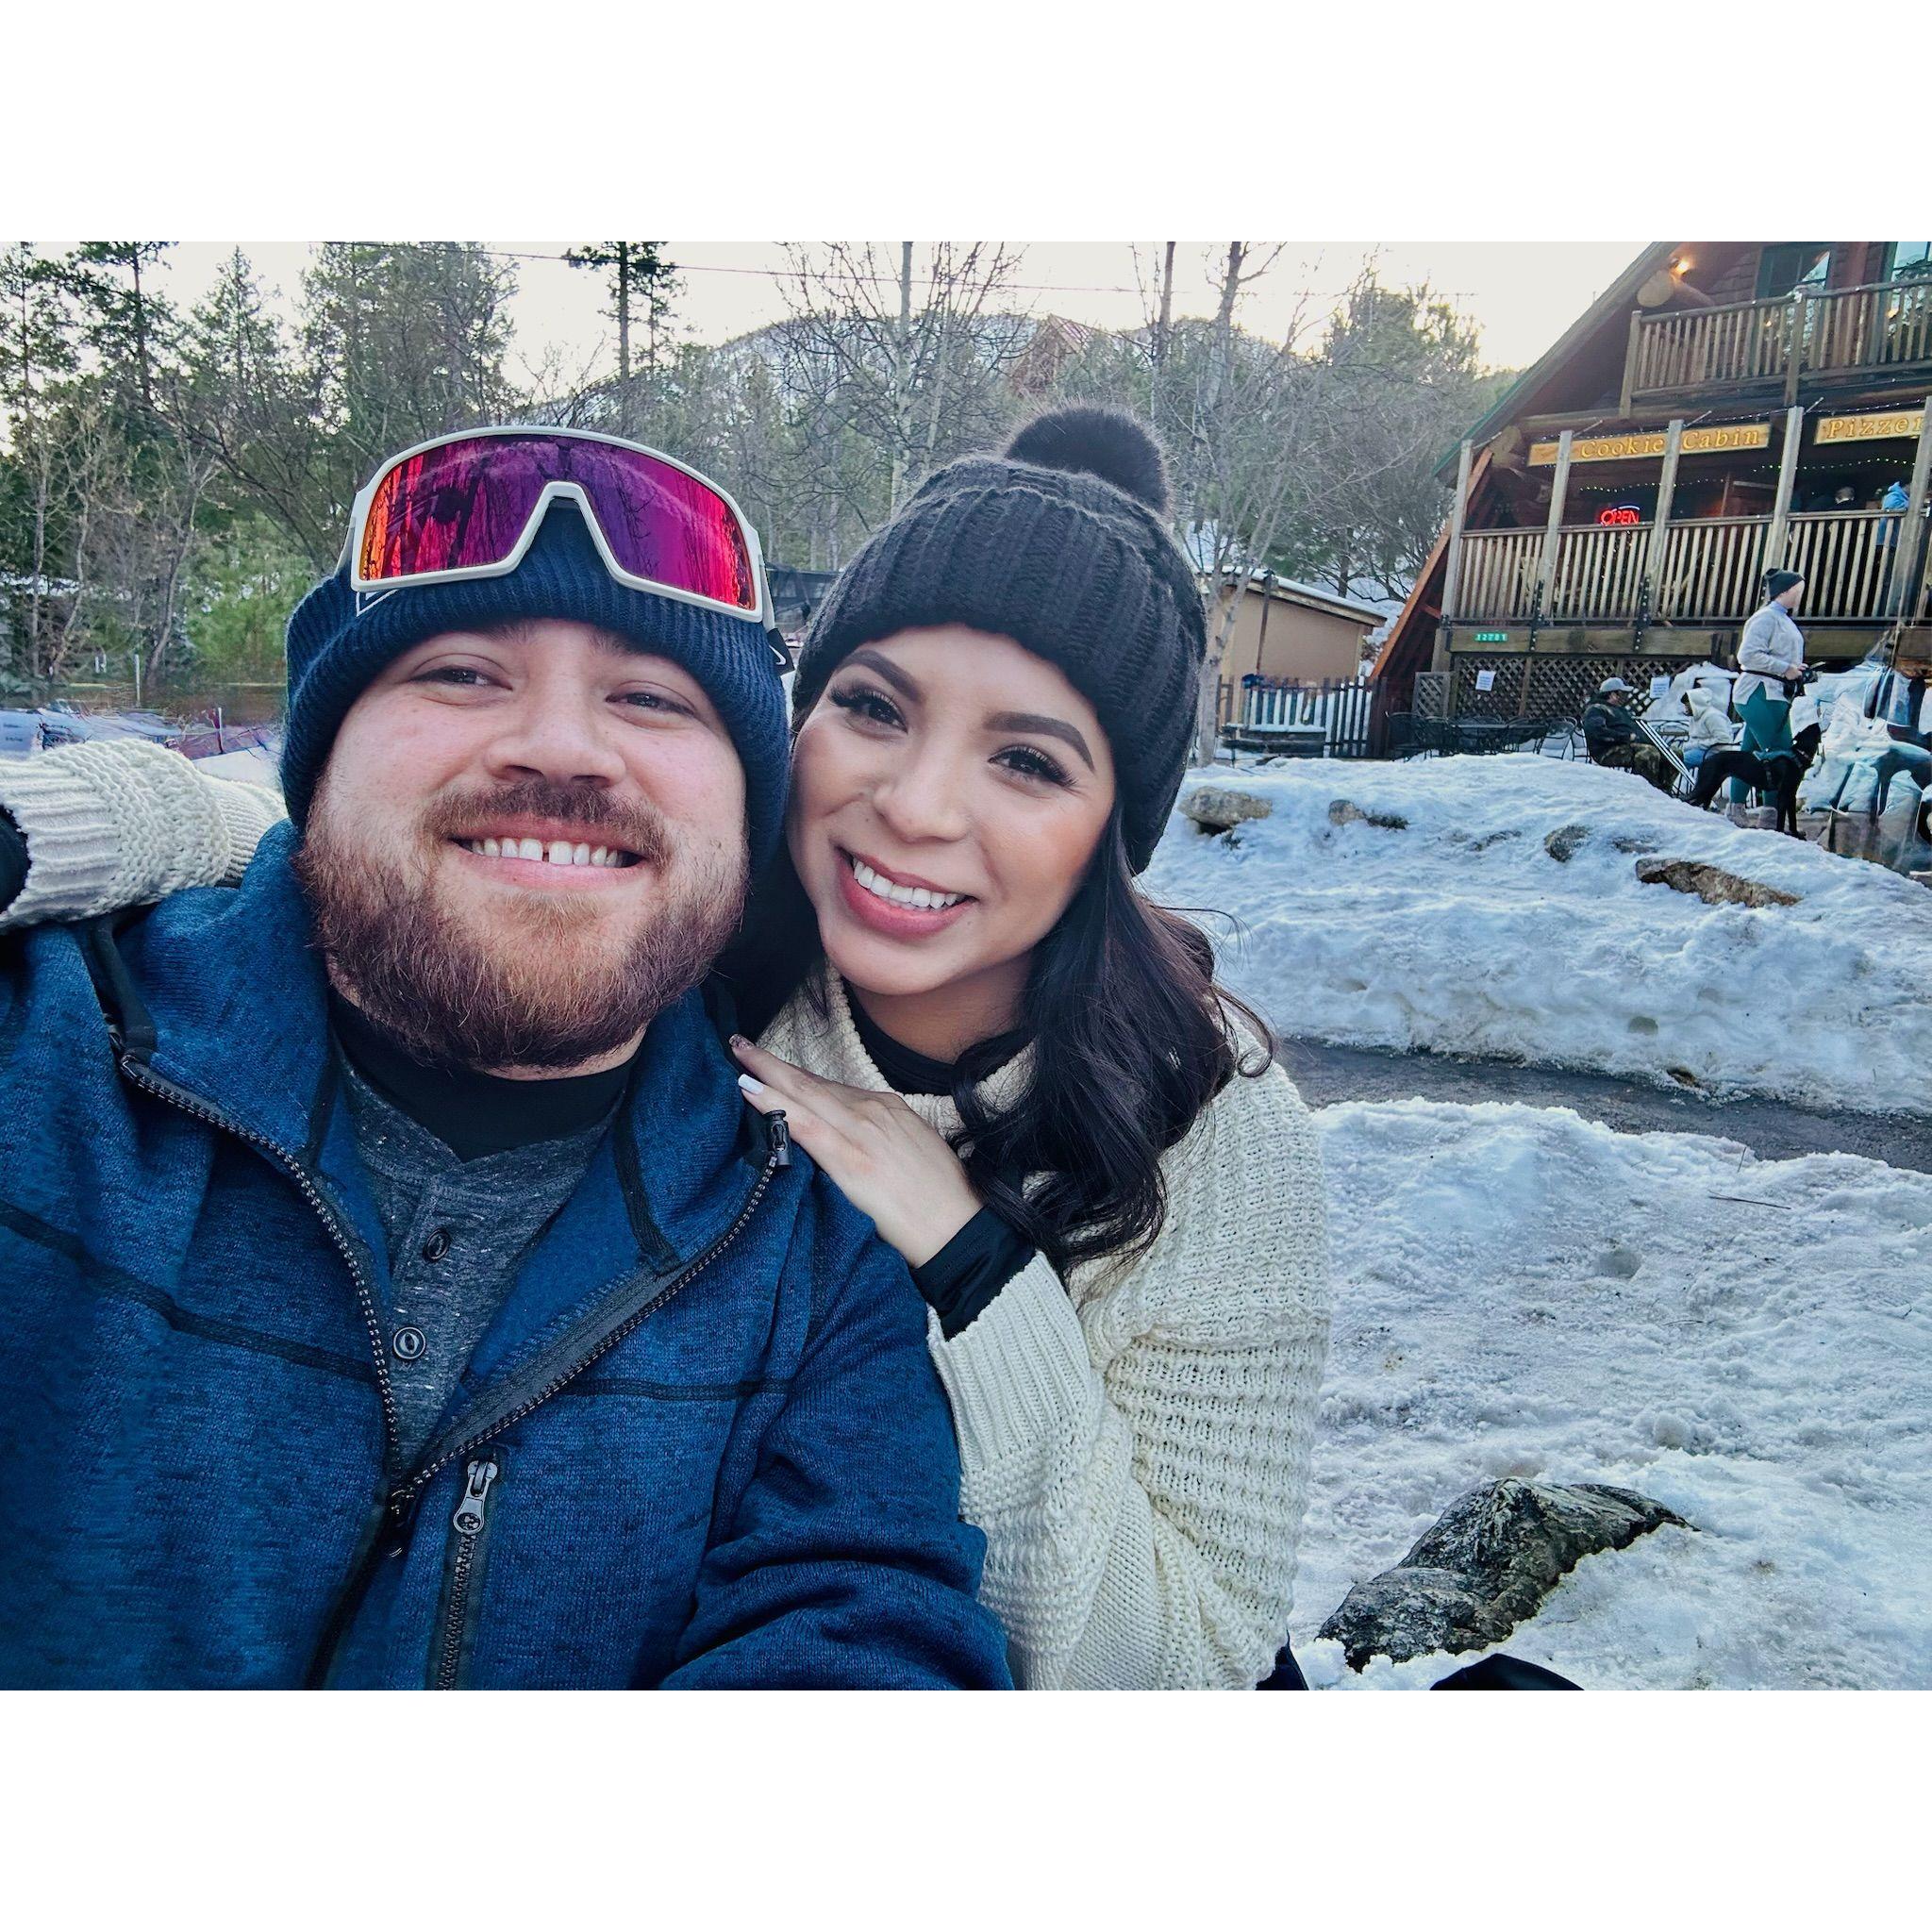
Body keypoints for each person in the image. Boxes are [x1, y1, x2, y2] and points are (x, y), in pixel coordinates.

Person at [0, 408, 1332, 1690]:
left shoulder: (1202, 1126)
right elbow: (416, 849)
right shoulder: (704, 945)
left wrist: (973, 1263)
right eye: (874, 708)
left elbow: (1166, 1665)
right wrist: (82, 819)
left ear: (1114, 834)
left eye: (1029, 763)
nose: (919, 807)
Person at [1732, 568, 1809, 804]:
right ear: (1783, 592)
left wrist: (1795, 668)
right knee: (1781, 756)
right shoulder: (1766, 618)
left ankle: (1736, 808)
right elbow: (1747, 655)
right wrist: (1785, 668)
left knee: (1749, 754)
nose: (1800, 595)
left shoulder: (1783, 619)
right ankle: (1772, 814)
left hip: (1773, 693)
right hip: (1760, 692)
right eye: (1797, 590)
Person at [1580, 677, 1674, 791]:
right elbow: (1597, 731)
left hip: (1629, 747)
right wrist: (1626, 737)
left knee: (1673, 753)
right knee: (1648, 753)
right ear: (1612, 694)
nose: (1624, 696)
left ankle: (1664, 789)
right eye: (1621, 693)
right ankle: (1644, 790)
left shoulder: (1621, 711)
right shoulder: (1596, 709)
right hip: (1607, 751)